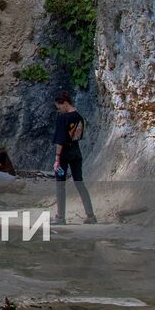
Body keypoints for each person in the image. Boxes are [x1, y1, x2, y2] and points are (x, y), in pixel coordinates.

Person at [52, 92, 96, 225]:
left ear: (65, 103)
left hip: (64, 154)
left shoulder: (63, 118)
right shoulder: (79, 116)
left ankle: (61, 217)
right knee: (79, 182)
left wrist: (57, 158)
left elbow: (60, 140)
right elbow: (78, 135)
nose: (59, 109)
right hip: (76, 152)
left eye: (59, 107)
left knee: (60, 184)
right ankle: (91, 215)